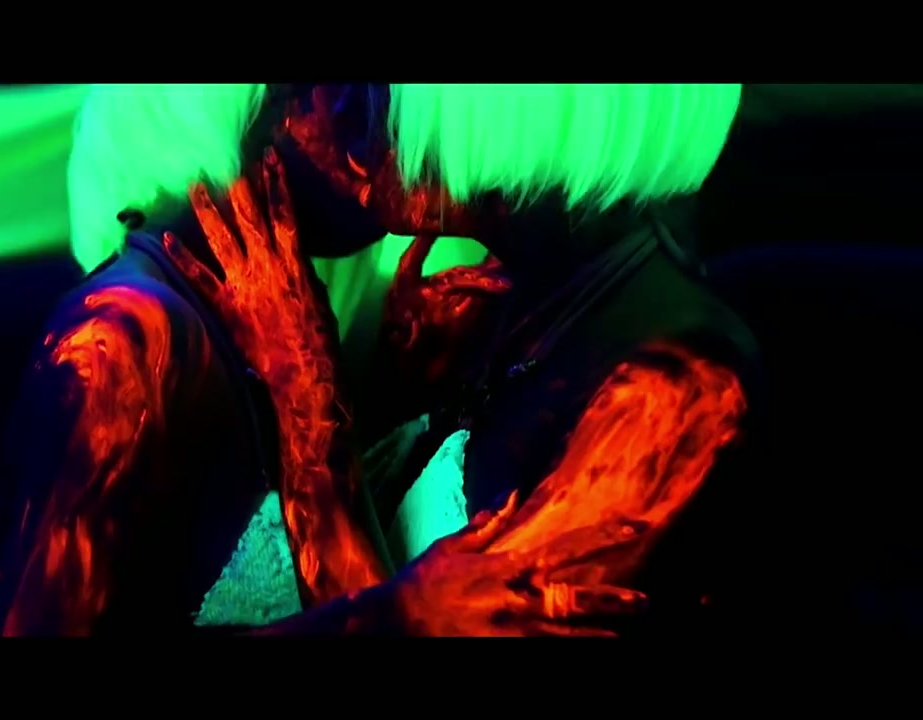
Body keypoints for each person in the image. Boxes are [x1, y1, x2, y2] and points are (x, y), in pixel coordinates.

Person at [0, 84, 650, 636]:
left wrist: (379, 401)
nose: (381, 126)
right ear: (236, 112)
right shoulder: (122, 343)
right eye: (329, 92)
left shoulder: (262, 324)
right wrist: (398, 614)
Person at [260, 84, 761, 633]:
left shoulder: (675, 399)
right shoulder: (508, 300)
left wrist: (307, 409)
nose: (327, 111)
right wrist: (387, 393)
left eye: (383, 96)